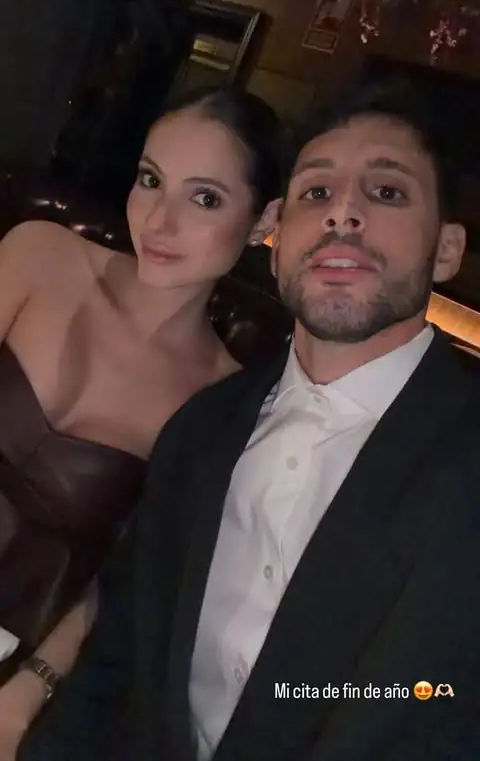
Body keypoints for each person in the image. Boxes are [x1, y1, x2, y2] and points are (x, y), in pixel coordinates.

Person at [21, 75, 480, 761]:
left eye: (386, 192)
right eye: (316, 192)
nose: (342, 213)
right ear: (278, 231)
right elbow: (115, 663)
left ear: (446, 249)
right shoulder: (201, 430)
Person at [0, 86, 285, 757]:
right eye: (151, 180)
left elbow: (126, 578)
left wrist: (26, 694)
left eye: (205, 198)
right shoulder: (41, 255)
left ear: (262, 221)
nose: (159, 220)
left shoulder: (223, 401)